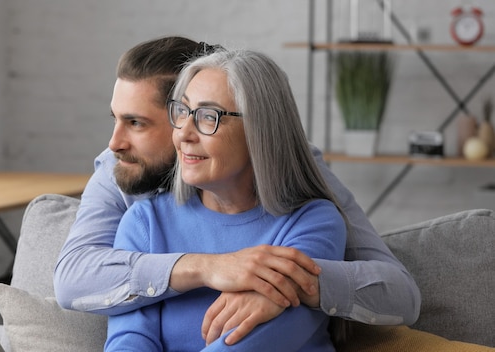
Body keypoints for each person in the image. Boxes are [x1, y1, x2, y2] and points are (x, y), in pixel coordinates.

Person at [54, 36, 420, 345]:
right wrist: (208, 268)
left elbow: (399, 293)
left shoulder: (307, 205)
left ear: (258, 132)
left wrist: (297, 283)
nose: (114, 142)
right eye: (185, 112)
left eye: (136, 123)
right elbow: (82, 289)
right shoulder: (132, 197)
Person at [105, 48, 346, 351]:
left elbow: (252, 343)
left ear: (259, 131)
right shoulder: (144, 223)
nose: (183, 134)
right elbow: (129, 340)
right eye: (182, 111)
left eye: (209, 116)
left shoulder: (313, 223)